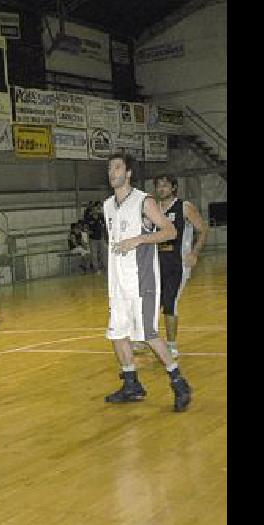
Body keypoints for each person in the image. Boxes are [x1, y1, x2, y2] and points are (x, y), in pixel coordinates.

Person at [102, 154, 192, 412]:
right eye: (109, 168)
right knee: (117, 333)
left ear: (128, 173)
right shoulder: (108, 205)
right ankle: (131, 383)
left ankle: (178, 382)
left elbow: (170, 232)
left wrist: (139, 239)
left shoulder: (144, 201)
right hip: (117, 282)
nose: (112, 172)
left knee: (148, 334)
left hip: (141, 282)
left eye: (117, 167)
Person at [154, 175, 209, 359]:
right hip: (157, 263)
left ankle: (171, 345)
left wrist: (194, 253)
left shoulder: (184, 207)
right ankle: (146, 337)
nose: (161, 189)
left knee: (170, 303)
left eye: (165, 185)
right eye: (158, 186)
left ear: (174, 187)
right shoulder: (153, 209)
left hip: (178, 263)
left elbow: (203, 229)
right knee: (152, 302)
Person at [85, 202, 108, 273]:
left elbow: (105, 225)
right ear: (92, 210)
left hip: (101, 238)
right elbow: (85, 227)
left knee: (104, 253)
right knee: (94, 255)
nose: (95, 210)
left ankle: (106, 267)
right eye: (94, 209)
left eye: (96, 209)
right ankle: (96, 269)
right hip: (93, 239)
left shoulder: (101, 217)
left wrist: (105, 233)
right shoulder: (89, 218)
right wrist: (88, 231)